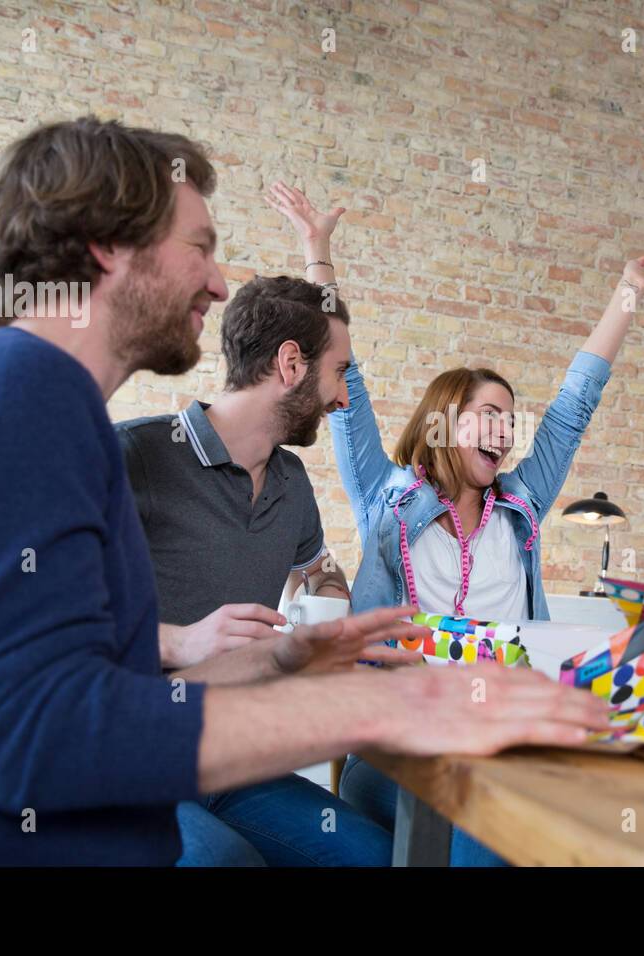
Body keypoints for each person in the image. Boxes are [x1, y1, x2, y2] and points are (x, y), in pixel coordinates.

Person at [0, 117, 609, 865]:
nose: (217, 279)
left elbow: (100, 689)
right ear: (108, 247)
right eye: (199, 246)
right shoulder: (17, 394)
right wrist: (394, 706)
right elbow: (42, 738)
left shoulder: (49, 406)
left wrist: (280, 661)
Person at [266, 182, 644, 863]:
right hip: (398, 738)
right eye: (489, 413)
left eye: (511, 420)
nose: (505, 430)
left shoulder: (519, 507)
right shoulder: (385, 498)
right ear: (445, 418)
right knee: (473, 841)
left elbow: (575, 406)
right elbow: (348, 379)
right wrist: (318, 252)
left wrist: (626, 291)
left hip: (501, 738)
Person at [116, 272, 425, 865]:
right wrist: (178, 642)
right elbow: (39, 630)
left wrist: (327, 596)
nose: (343, 397)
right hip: (135, 761)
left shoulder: (291, 481)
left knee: (377, 857)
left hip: (234, 759)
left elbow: (319, 563)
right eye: (340, 372)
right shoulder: (136, 458)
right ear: (290, 363)